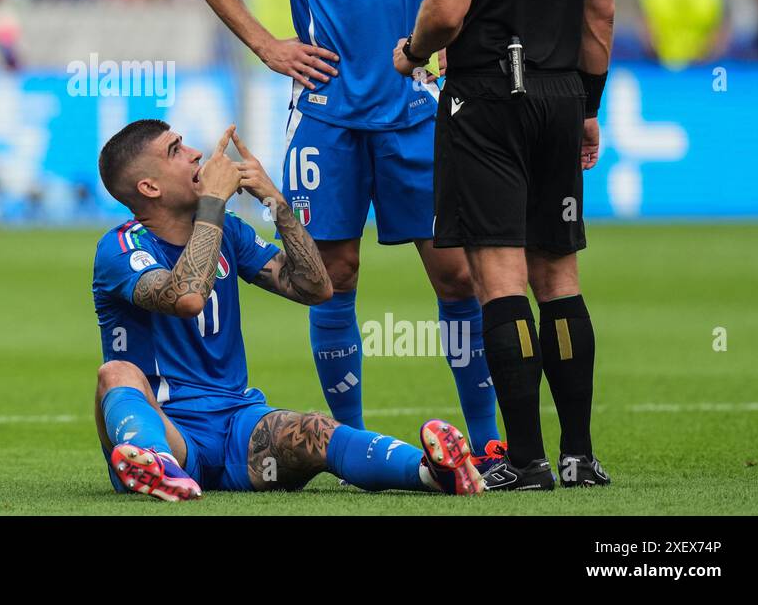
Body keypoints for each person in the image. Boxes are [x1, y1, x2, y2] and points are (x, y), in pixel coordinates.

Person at [187, 0, 500, 461]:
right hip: (326, 114)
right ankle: (350, 439)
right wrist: (267, 45)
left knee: (455, 272)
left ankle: (487, 442)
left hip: (419, 109)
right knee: (331, 278)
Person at [395, 0, 615, 490]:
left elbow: (448, 8)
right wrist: (587, 103)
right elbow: (601, 13)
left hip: (488, 97)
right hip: (558, 95)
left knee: (500, 279)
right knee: (560, 274)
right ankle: (579, 454)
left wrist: (414, 48)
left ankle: (525, 460)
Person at [93, 119, 485, 501]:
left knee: (314, 430)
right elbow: (187, 298)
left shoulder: (229, 229)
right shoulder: (121, 248)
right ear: (149, 186)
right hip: (167, 426)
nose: (196, 154)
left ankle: (435, 473)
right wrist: (213, 201)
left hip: (237, 425)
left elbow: (317, 288)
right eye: (176, 150)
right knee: (116, 373)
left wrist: (276, 202)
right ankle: (155, 464)